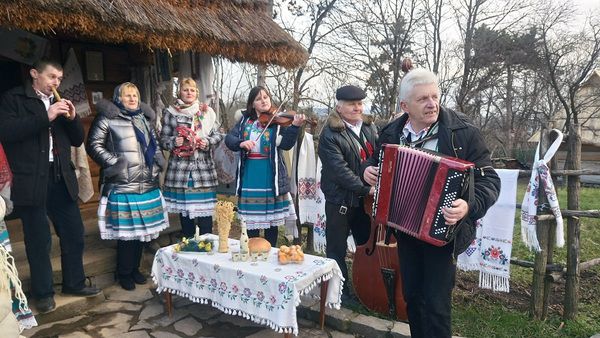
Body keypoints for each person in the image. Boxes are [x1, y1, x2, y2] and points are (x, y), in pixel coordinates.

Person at [362, 69, 500, 337]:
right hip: (405, 227)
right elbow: (376, 163)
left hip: (444, 232)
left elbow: (489, 180)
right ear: (405, 106)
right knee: (412, 297)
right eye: (423, 99)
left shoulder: (463, 132)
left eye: (435, 96)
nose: (432, 104)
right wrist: (367, 170)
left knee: (436, 304)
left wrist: (468, 206)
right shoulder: (391, 132)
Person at [0, 59, 100, 314]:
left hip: (60, 178)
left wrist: (73, 118)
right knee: (38, 240)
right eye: (52, 77)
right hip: (31, 179)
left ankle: (74, 283)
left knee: (74, 234)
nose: (56, 83)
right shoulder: (14, 99)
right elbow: (8, 132)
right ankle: (43, 294)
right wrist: (46, 116)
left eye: (59, 78)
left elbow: (78, 139)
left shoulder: (61, 100)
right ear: (35, 74)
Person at [86, 82, 169, 291]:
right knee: (127, 235)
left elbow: (154, 144)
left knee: (141, 233)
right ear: (118, 98)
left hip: (147, 184)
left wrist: (157, 162)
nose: (132, 99)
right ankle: (123, 273)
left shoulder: (144, 118)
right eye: (127, 95)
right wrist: (116, 162)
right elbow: (93, 145)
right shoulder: (108, 118)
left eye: (135, 95)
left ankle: (134, 270)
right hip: (122, 185)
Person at [317, 85, 377, 303]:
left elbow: (376, 156)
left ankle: (367, 287)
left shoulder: (370, 128)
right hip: (340, 200)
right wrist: (366, 188)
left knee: (365, 246)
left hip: (364, 202)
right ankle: (339, 293)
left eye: (360, 103)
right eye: (352, 104)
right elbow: (339, 171)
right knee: (336, 249)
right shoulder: (329, 134)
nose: (357, 108)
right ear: (339, 107)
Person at [225, 86, 305, 247]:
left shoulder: (277, 121)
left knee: (271, 221)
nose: (264, 100)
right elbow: (229, 139)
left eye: (266, 97)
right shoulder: (244, 121)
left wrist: (295, 127)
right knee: (251, 220)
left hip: (271, 173)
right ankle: (253, 250)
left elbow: (287, 144)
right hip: (249, 173)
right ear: (252, 104)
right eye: (259, 98)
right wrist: (241, 142)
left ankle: (271, 250)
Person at [160, 78, 223, 238]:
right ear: (179, 92)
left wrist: (206, 142)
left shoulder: (206, 112)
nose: (189, 93)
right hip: (180, 171)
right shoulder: (171, 112)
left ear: (197, 93)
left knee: (205, 216)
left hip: (203, 170)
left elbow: (218, 135)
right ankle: (189, 247)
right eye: (185, 89)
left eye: (192, 90)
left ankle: (207, 249)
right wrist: (174, 141)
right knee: (186, 215)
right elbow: (162, 139)